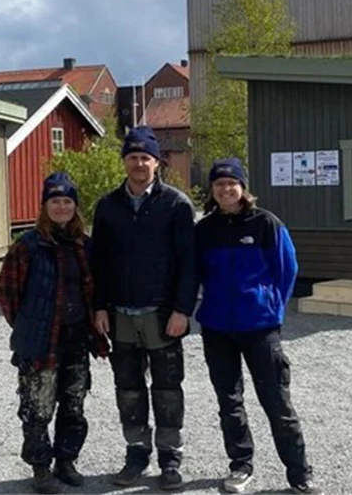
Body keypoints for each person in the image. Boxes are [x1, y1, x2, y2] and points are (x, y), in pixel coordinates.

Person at [194, 158, 322, 495]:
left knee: (277, 401)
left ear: (243, 187)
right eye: (218, 184)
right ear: (212, 190)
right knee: (230, 401)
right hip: (217, 326)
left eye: (231, 183)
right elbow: (196, 273)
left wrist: (273, 308)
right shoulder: (204, 230)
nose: (225, 189)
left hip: (259, 327)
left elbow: (287, 269)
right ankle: (240, 465)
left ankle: (299, 473)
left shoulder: (266, 224)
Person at [90, 126, 198, 491]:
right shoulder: (107, 206)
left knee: (168, 390)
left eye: (145, 157)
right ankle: (137, 454)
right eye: (133, 157)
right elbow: (99, 262)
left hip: (162, 313)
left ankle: (170, 458)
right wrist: (98, 306)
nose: (139, 163)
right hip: (120, 314)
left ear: (157, 162)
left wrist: (183, 310)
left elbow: (189, 263)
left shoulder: (176, 204)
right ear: (124, 162)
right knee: (128, 389)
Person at [0, 172, 109, 495]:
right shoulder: (28, 245)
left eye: (67, 201)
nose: (62, 207)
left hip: (76, 338)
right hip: (41, 341)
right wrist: (28, 322)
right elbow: (7, 291)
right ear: (44, 206)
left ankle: (66, 460)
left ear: (76, 206)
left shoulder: (83, 245)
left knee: (74, 403)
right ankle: (41, 467)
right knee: (37, 407)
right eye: (55, 201)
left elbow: (96, 288)